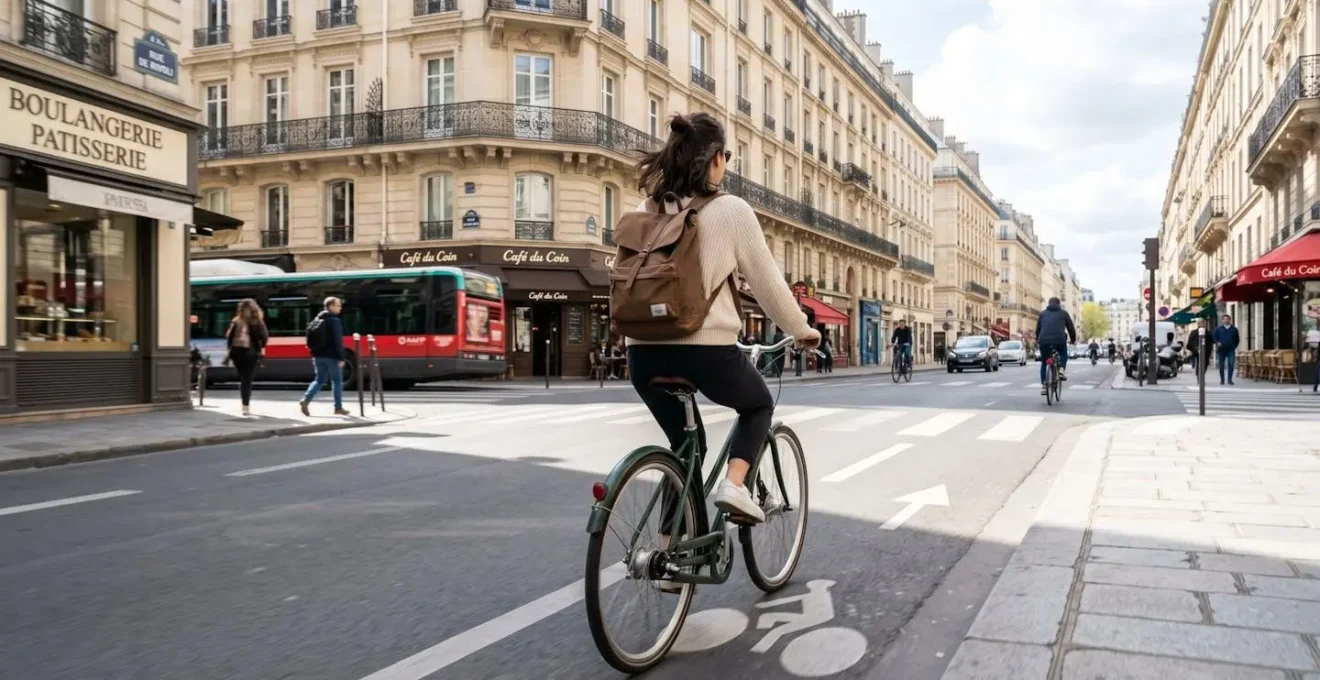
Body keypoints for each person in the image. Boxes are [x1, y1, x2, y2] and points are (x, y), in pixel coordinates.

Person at [624, 112, 820, 526]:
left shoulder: (646, 208)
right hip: (705, 350)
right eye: (726, 156)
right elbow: (769, 287)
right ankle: (734, 485)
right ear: (715, 159)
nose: (726, 164)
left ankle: (666, 557)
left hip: (640, 354)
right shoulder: (731, 210)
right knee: (758, 405)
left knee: (683, 448)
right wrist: (802, 330)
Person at [300, 296, 350, 416]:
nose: (340, 308)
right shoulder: (334, 321)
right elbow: (337, 341)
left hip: (317, 356)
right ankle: (338, 408)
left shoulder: (317, 319)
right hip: (332, 356)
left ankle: (306, 399)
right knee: (337, 381)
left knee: (319, 380)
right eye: (338, 305)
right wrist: (341, 358)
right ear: (331, 306)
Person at [225, 298, 268, 416]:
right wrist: (260, 348)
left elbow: (229, 338)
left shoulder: (236, 321)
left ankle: (245, 404)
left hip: (237, 353)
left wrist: (229, 352)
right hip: (250, 353)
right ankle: (245, 406)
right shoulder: (257, 321)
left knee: (244, 378)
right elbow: (264, 338)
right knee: (246, 379)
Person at [1035, 296, 1078, 395]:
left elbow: (1038, 328)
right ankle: (1061, 370)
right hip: (1059, 340)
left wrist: (1038, 338)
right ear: (1059, 304)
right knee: (1063, 354)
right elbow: (1071, 328)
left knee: (1044, 362)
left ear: (1048, 304)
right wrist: (1073, 339)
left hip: (1044, 341)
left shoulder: (1043, 314)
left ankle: (1044, 386)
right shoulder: (1064, 313)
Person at [1212, 314, 1241, 385]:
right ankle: (1222, 380)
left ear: (1230, 320)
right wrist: (1217, 342)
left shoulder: (1234, 329)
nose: (1226, 320)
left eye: (1227, 319)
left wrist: (1234, 346)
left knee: (1231, 364)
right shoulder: (1218, 329)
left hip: (1231, 350)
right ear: (1222, 320)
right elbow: (1213, 337)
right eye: (1224, 319)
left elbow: (1237, 339)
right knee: (1221, 365)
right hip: (1221, 350)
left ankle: (1230, 379)